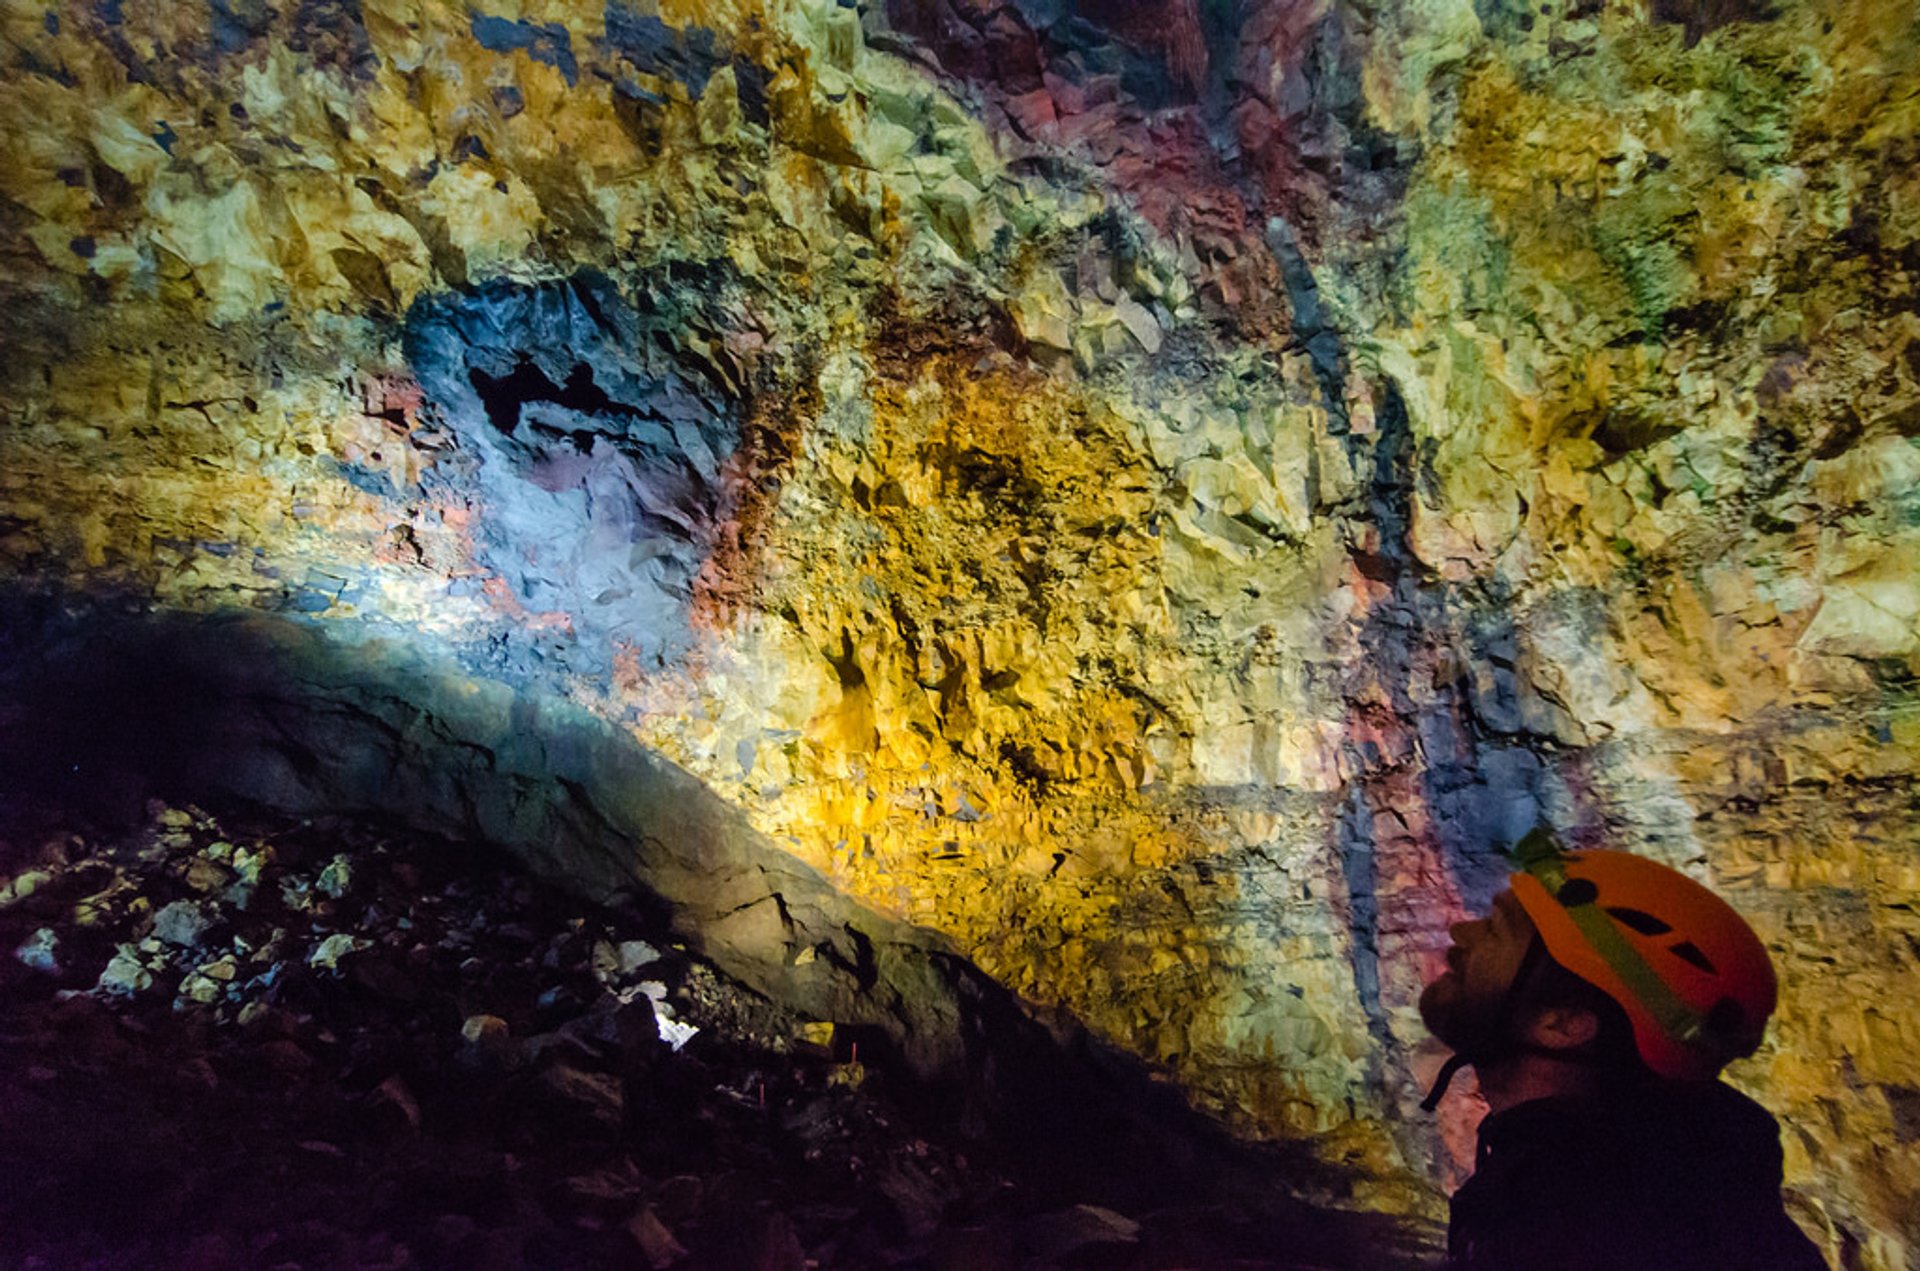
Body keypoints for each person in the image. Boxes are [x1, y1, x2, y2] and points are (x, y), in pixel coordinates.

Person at [1418, 828, 1827, 1270]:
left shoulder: (1574, 1236)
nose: (1462, 931)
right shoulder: (1686, 1193)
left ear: (1565, 1023)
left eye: (1497, 932)